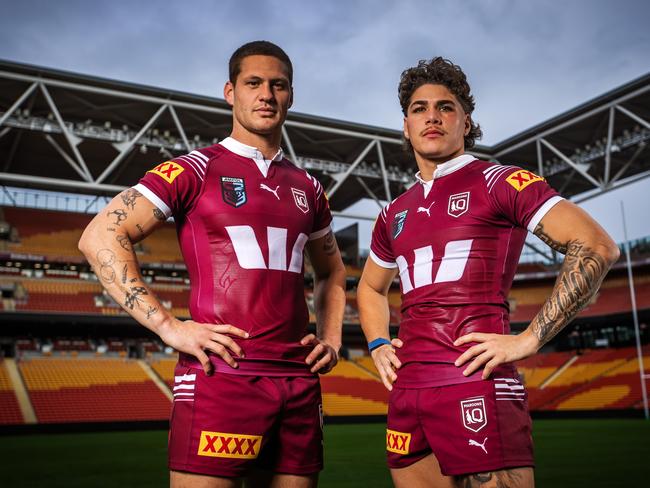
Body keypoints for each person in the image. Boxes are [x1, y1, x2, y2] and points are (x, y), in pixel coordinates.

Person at [79, 40, 346, 488]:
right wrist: (168, 326)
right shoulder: (195, 169)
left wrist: (333, 337)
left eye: (278, 85)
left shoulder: (309, 188)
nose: (266, 94)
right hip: (221, 373)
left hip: (298, 379)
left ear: (291, 96)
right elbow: (101, 235)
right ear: (230, 92)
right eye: (253, 83)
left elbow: (332, 270)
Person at [357, 57, 619, 488]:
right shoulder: (393, 213)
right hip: (408, 390)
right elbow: (369, 287)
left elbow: (595, 246)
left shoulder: (499, 182)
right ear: (406, 126)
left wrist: (529, 338)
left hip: (475, 380)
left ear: (466, 122)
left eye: (446, 107)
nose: (432, 116)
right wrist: (378, 342)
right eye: (419, 109)